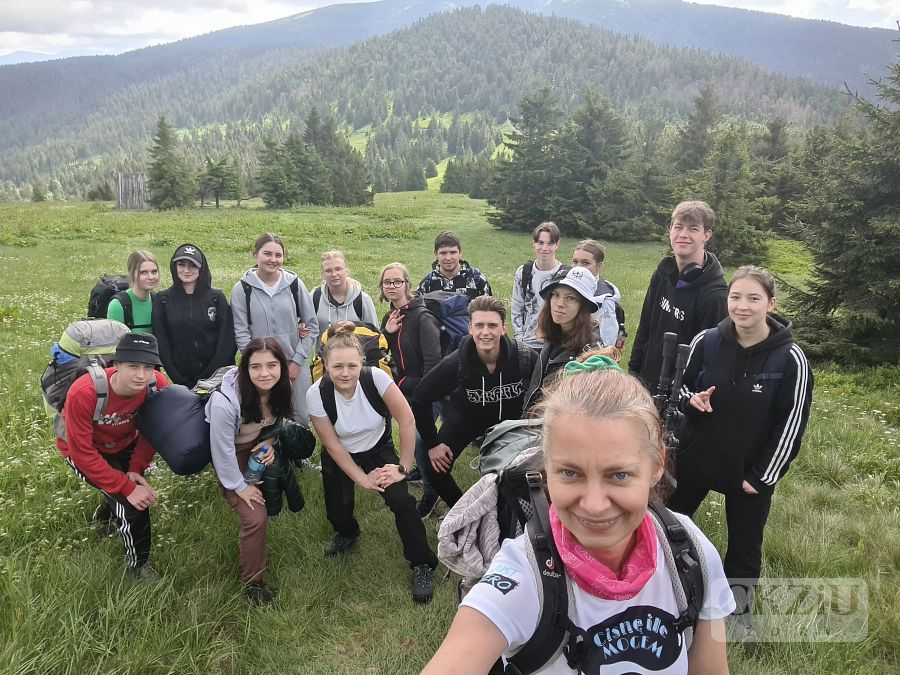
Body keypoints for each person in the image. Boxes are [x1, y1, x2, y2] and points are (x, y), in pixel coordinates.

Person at [423, 367, 735, 675]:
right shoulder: (524, 577)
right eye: (570, 473)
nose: (594, 505)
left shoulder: (689, 551)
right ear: (546, 468)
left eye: (619, 475)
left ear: (657, 466)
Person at [667, 266, 813, 636]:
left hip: (748, 470)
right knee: (670, 528)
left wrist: (763, 476)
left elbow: (791, 423)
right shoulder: (707, 341)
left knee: (745, 548)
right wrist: (691, 400)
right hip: (697, 458)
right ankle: (669, 594)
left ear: (771, 304)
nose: (742, 306)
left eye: (753, 298)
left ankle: (737, 620)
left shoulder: (791, 358)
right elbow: (678, 388)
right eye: (735, 297)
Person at [306, 322, 438, 603]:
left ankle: (422, 563)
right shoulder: (316, 394)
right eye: (337, 366)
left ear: (362, 363)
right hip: (341, 452)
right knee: (338, 508)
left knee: (401, 501)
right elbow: (332, 445)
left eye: (351, 366)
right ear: (326, 365)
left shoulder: (376, 379)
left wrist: (402, 468)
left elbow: (407, 420)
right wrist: (361, 478)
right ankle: (347, 532)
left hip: (378, 448)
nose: (345, 373)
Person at [57, 333, 169, 581]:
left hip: (124, 443)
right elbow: (82, 453)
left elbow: (152, 431)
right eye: (133, 366)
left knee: (123, 485)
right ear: (116, 364)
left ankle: (103, 518)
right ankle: (138, 567)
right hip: (83, 450)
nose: (141, 375)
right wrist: (126, 487)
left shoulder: (156, 385)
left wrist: (136, 468)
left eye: (148, 367)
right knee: (132, 502)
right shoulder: (84, 392)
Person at [412, 296, 538, 509]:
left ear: (503, 328)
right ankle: (464, 511)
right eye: (479, 325)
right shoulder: (457, 362)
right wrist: (433, 443)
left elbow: (544, 392)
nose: (485, 332)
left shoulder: (524, 356)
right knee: (435, 469)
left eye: (492, 325)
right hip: (467, 418)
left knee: (520, 471)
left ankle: (513, 510)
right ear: (470, 328)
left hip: (511, 422)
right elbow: (420, 397)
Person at [206, 338, 293, 605]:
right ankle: (253, 585)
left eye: (272, 365)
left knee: (278, 488)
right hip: (229, 455)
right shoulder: (225, 402)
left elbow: (276, 425)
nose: (265, 373)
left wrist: (269, 443)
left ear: (282, 366)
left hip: (255, 447)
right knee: (255, 517)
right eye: (256, 367)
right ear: (245, 368)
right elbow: (221, 451)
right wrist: (240, 486)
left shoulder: (282, 388)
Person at [628, 200, 728, 391]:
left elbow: (710, 362)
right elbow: (645, 329)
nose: (683, 234)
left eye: (693, 229)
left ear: (707, 235)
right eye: (678, 227)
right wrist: (633, 375)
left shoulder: (716, 296)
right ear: (670, 231)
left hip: (679, 396)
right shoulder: (663, 273)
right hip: (645, 384)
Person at [231, 233, 319, 425]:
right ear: (255, 254)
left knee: (300, 417)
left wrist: (296, 362)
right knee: (264, 418)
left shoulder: (295, 285)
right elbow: (241, 332)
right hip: (261, 368)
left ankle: (297, 446)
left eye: (278, 255)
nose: (273, 259)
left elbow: (312, 326)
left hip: (294, 364)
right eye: (267, 254)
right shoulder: (242, 289)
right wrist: (257, 365)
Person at [379, 262, 442, 518]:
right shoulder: (389, 318)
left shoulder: (423, 318)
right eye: (387, 282)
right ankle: (421, 470)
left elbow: (433, 365)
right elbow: (381, 354)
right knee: (411, 438)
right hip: (403, 389)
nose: (392, 286)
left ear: (407, 284)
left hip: (426, 391)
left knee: (419, 438)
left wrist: (412, 389)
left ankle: (432, 491)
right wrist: (387, 333)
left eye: (397, 281)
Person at [152, 243, 236, 388]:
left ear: (201, 268)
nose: (186, 270)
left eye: (192, 265)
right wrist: (178, 378)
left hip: (216, 378)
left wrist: (209, 376)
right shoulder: (163, 300)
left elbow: (227, 341)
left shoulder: (216, 298)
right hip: (181, 379)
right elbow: (162, 343)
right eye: (181, 264)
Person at [522, 265, 600, 409]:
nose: (559, 304)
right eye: (556, 295)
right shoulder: (554, 336)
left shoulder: (590, 355)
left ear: (584, 306)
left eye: (570, 298)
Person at [511, 221, 563, 349]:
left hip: (555, 344)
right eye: (540, 242)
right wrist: (520, 340)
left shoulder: (564, 275)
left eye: (550, 243)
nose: (544, 248)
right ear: (533, 243)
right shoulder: (523, 272)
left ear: (557, 245)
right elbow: (516, 309)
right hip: (527, 343)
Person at [313, 250, 378, 347]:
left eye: (338, 269)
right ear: (322, 274)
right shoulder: (314, 297)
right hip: (324, 356)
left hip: (356, 356)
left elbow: (374, 335)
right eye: (328, 270)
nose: (334, 274)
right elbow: (306, 329)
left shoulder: (362, 299)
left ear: (346, 271)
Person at [572, 238, 624, 348]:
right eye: (575, 262)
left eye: (585, 263)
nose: (578, 268)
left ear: (599, 266)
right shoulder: (568, 287)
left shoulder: (604, 301)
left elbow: (608, 343)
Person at [417, 230, 492, 299]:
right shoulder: (427, 283)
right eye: (443, 253)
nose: (448, 258)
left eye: (453, 252)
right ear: (436, 254)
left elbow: (489, 308)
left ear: (460, 253)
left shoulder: (477, 279)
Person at [106, 250, 160, 334]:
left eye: (154, 272)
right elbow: (114, 340)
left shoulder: (158, 301)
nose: (151, 277)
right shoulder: (118, 305)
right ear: (131, 274)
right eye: (143, 272)